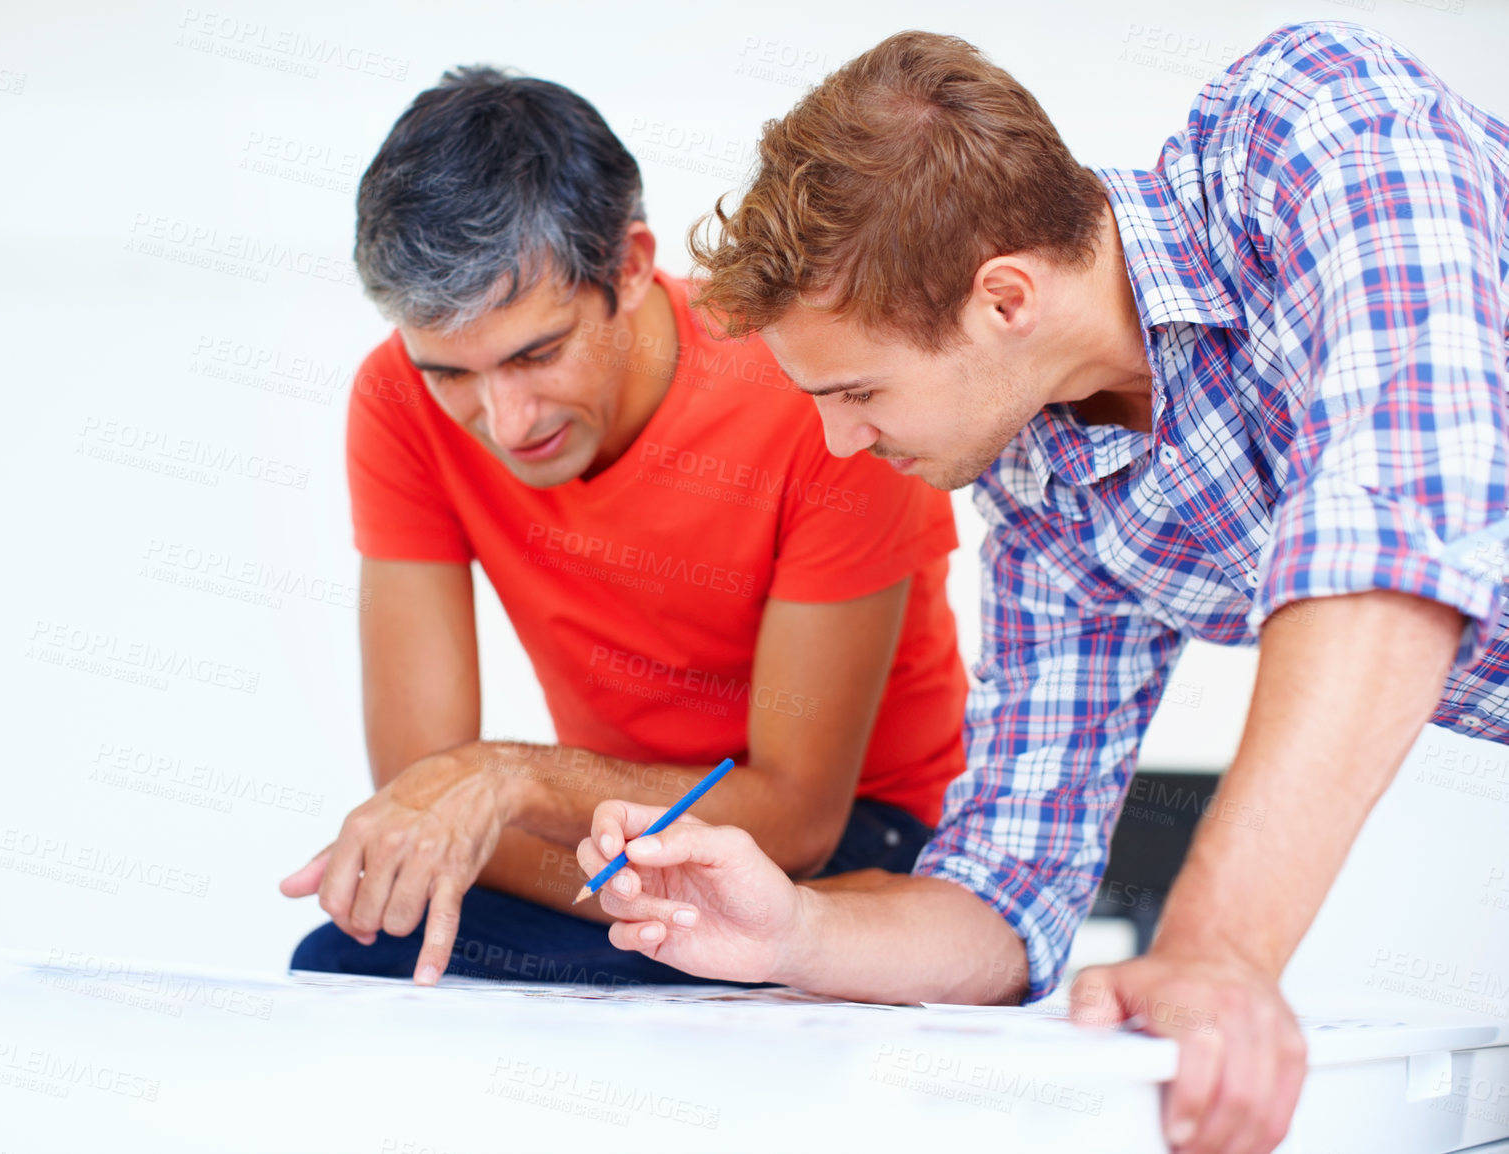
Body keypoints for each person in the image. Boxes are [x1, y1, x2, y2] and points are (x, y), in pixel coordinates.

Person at [576, 22, 1509, 1154]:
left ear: (1005, 300)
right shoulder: (1045, 488)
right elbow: (1009, 889)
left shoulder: (1316, 123)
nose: (833, 442)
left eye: (857, 388)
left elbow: (1394, 520)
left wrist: (1215, 943)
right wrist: (793, 931)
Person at [279, 66, 972, 992]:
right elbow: (423, 788)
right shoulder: (398, 400)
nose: (508, 419)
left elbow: (797, 815)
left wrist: (508, 786)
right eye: (453, 372)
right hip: (608, 833)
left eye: (539, 352)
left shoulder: (816, 393)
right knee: (353, 957)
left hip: (860, 841)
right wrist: (488, 825)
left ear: (633, 264)